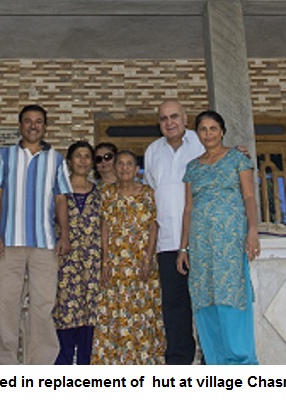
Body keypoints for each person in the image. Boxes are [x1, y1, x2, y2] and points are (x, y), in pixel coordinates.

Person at [0, 104, 72, 364]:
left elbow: (61, 199)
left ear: (45, 127)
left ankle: (39, 367)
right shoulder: (5, 155)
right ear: (20, 125)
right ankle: (7, 365)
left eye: (38, 121)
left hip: (44, 244)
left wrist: (65, 235)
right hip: (8, 242)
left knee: (43, 306)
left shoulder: (56, 159)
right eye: (28, 120)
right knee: (4, 305)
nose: (33, 125)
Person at [177, 110, 261, 365]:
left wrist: (253, 231)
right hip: (201, 245)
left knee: (231, 297)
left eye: (213, 128)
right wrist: (183, 248)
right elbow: (188, 209)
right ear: (197, 134)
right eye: (203, 129)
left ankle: (242, 364)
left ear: (222, 131)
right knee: (205, 300)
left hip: (230, 242)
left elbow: (249, 197)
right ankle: (216, 365)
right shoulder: (192, 168)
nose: (208, 134)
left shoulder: (237, 159)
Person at [143, 99, 203, 364]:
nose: (169, 122)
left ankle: (212, 361)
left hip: (201, 241)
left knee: (206, 305)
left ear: (185, 118)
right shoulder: (152, 151)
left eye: (174, 116)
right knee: (174, 308)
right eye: (164, 118)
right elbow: (151, 198)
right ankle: (179, 364)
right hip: (167, 243)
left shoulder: (202, 143)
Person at [92, 150, 164, 364]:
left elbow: (153, 226)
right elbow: (105, 226)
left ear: (136, 169)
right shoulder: (107, 193)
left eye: (129, 164)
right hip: (115, 264)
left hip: (141, 262)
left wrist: (148, 258)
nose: (124, 168)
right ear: (115, 168)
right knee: (114, 312)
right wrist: (105, 261)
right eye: (120, 164)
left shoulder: (148, 193)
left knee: (142, 312)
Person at [53, 140, 101, 365]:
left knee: (89, 319)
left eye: (87, 156)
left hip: (93, 265)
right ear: (69, 161)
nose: (83, 160)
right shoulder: (57, 190)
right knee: (64, 314)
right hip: (65, 263)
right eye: (78, 156)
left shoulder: (100, 193)